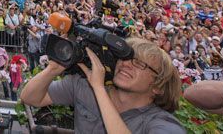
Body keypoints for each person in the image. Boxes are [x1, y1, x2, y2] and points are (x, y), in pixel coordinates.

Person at [20, 37, 185, 133]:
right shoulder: (84, 86)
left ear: (158, 86)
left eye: (139, 64)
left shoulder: (161, 123)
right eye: (125, 58)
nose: (126, 64)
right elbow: (30, 98)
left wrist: (99, 89)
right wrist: (52, 69)